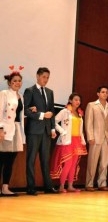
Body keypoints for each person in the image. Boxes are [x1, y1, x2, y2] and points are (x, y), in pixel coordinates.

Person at [23, 67, 58, 195]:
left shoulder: (49, 92)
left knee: (45, 159)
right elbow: (26, 110)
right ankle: (31, 187)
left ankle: (48, 186)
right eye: (44, 77)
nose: (46, 80)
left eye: (48, 77)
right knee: (31, 159)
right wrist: (42, 115)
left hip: (46, 130)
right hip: (33, 130)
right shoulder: (29, 91)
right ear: (37, 76)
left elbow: (52, 112)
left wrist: (53, 128)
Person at [50, 93, 87, 193]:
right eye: (75, 99)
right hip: (67, 140)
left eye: (79, 100)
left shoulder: (79, 113)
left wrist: (82, 140)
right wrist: (62, 132)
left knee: (74, 164)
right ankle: (62, 186)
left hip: (77, 140)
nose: (78, 102)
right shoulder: (65, 111)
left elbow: (80, 129)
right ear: (70, 100)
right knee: (68, 163)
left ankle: (70, 185)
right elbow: (53, 121)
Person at [85, 86, 108, 191]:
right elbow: (88, 122)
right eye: (103, 92)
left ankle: (102, 183)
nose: (105, 94)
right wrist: (90, 136)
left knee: (104, 162)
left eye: (107, 92)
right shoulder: (92, 105)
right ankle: (89, 184)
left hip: (107, 139)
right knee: (92, 162)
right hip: (95, 137)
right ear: (98, 94)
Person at [0, 71, 25, 196]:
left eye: (19, 81)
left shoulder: (20, 96)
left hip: (16, 130)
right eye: (14, 81)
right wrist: (0, 129)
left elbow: (19, 114)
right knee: (1, 159)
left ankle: (5, 188)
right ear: (9, 82)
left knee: (10, 160)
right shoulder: (4, 94)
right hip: (5, 129)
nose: (17, 83)